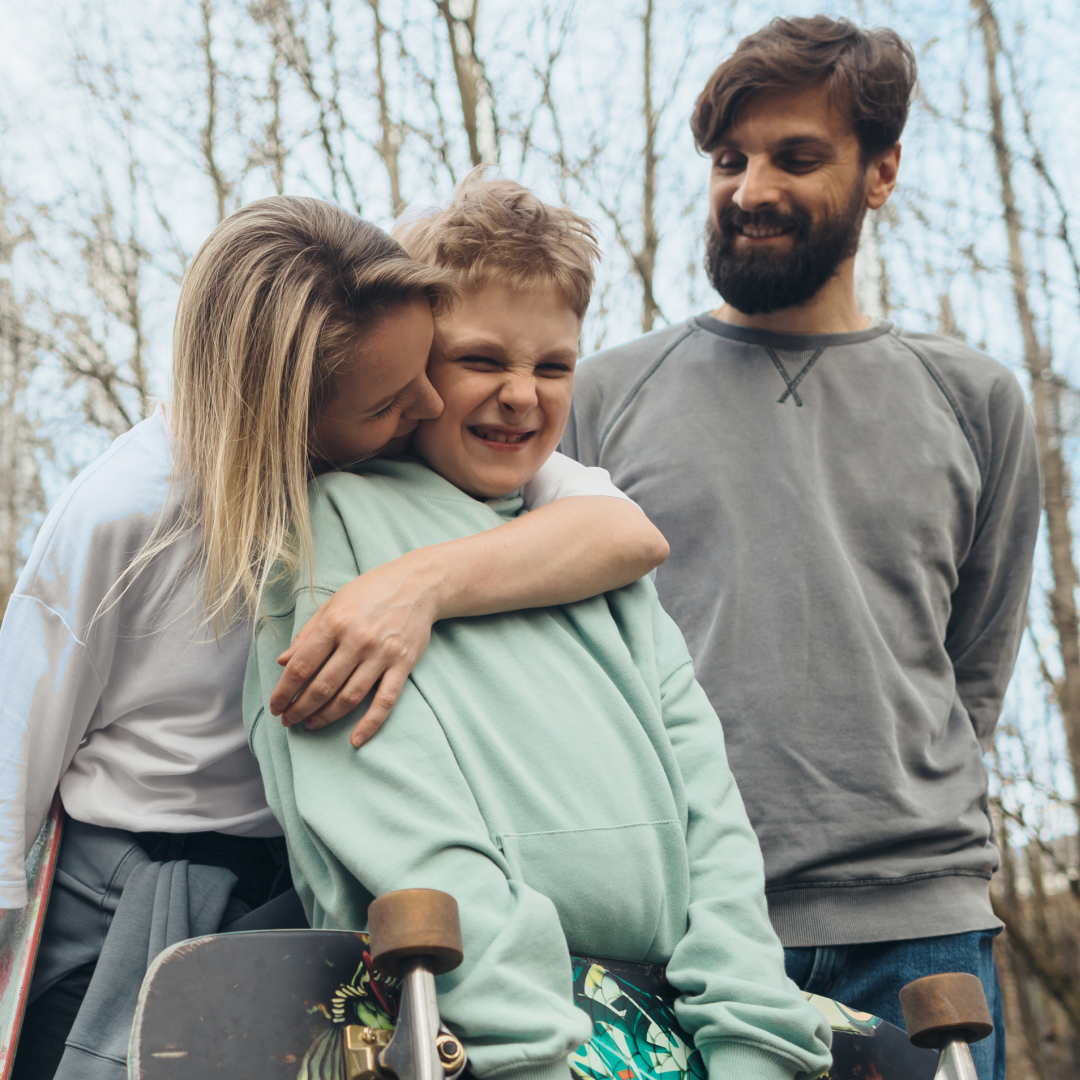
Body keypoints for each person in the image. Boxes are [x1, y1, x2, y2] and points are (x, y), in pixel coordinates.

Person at [0, 197, 668, 1080]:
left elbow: (627, 535)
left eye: (426, 372)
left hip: (308, 885)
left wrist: (417, 585)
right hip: (130, 900)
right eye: (394, 399)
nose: (429, 403)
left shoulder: (387, 463)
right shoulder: (125, 512)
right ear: (286, 412)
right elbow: (13, 763)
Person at [245, 174, 833, 1080]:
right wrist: (527, 1050)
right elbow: (398, 827)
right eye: (481, 360)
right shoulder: (333, 530)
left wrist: (755, 1042)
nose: (522, 395)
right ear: (414, 372)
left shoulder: (598, 558)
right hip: (479, 1033)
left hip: (676, 1029)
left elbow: (712, 820)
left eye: (553, 367)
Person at [560, 16, 1041, 1080]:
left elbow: (972, 678)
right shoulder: (601, 393)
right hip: (671, 931)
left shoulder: (977, 403)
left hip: (918, 934)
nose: (751, 188)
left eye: (797, 157)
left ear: (882, 173)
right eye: (730, 160)